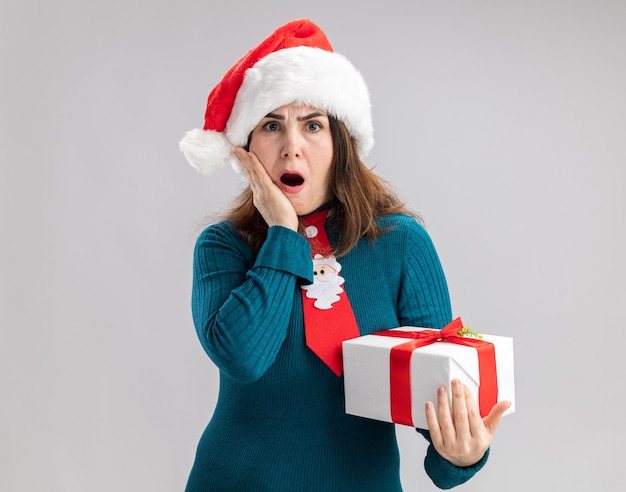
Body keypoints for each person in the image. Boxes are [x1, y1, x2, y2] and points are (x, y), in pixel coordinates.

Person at [179, 18, 510, 491]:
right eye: (272, 125)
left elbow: (435, 395)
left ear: (340, 144)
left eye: (312, 125)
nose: (292, 147)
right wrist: (283, 235)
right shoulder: (222, 246)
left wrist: (460, 455)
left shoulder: (400, 243)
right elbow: (242, 358)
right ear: (247, 150)